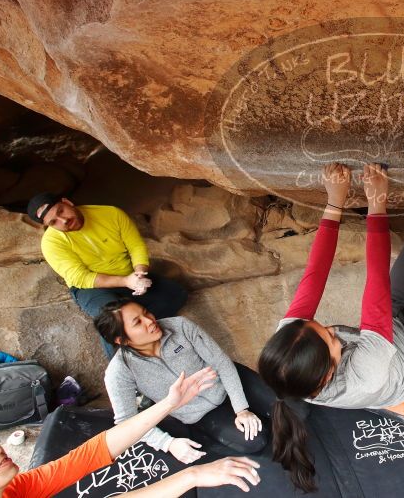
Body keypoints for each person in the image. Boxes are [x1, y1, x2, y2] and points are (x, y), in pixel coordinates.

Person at [259, 97, 404, 492]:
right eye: (332, 339)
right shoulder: (362, 377)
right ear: (328, 372)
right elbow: (375, 286)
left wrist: (333, 202)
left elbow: (314, 275)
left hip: (391, 331)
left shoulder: (293, 344)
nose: (332, 329)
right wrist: (376, 202)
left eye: (320, 327)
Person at [0, 367, 262, 497]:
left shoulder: (15, 489)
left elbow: (89, 455)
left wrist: (169, 404)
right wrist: (193, 475)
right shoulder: (118, 371)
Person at [95, 299, 268, 464]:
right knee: (255, 441)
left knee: (283, 405)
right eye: (137, 322)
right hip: (200, 414)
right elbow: (127, 423)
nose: (149, 320)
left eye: (146, 312)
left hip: (227, 379)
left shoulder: (180, 326)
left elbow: (221, 363)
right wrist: (167, 443)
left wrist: (241, 408)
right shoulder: (118, 372)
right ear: (122, 340)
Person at [27, 193, 187, 325]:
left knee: (176, 293)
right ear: (49, 226)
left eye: (61, 211)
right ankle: (125, 350)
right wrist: (126, 282)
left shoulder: (111, 214)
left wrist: (139, 274)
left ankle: (138, 327)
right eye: (54, 222)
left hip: (129, 275)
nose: (63, 220)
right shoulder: (51, 243)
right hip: (92, 287)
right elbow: (80, 277)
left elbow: (136, 246)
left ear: (67, 202)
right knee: (113, 321)